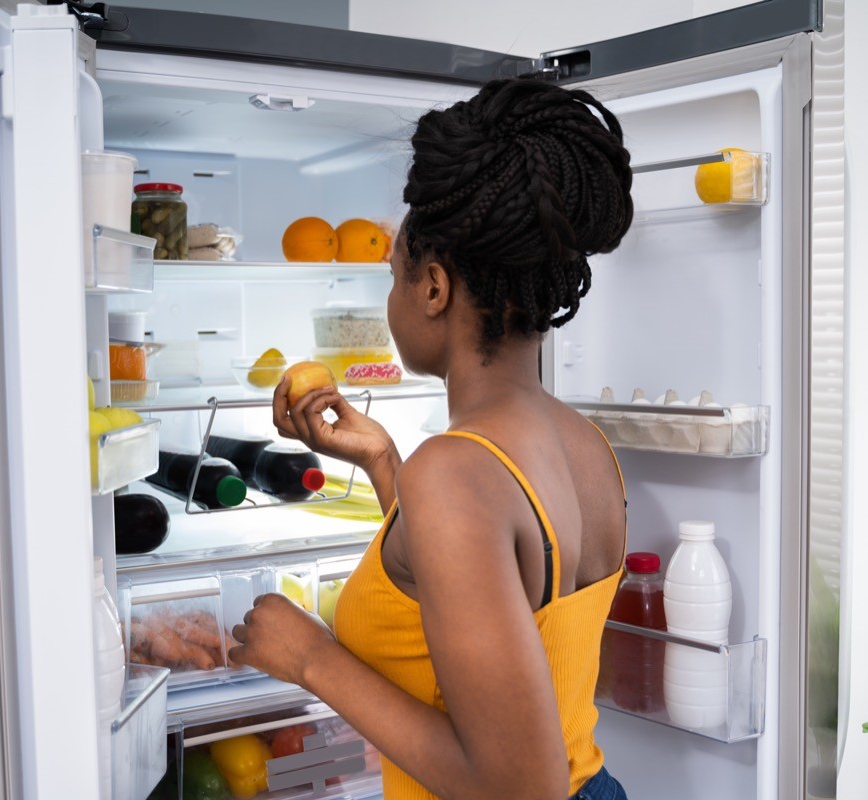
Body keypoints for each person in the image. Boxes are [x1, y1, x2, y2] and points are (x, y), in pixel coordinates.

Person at [228, 78, 634, 800]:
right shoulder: (584, 445)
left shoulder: (454, 474)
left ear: (435, 288)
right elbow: (492, 600)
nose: (391, 296)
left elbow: (521, 787)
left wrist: (310, 658)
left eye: (394, 275)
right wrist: (386, 461)